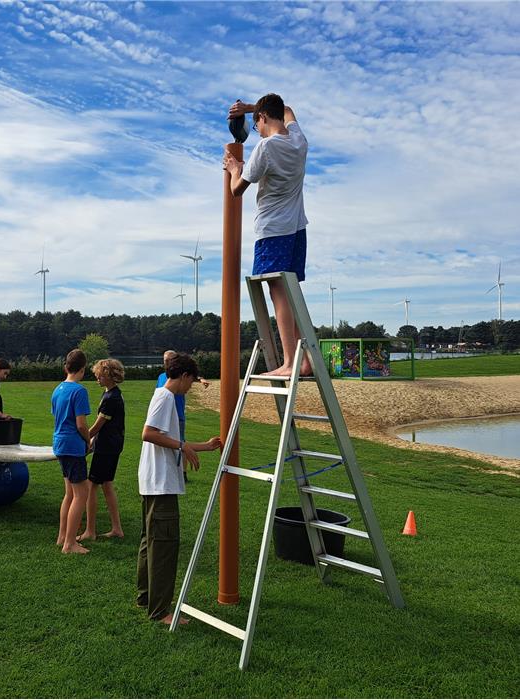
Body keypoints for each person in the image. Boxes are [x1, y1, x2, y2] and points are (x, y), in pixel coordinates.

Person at [223, 93, 312, 377]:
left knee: (278, 294)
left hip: (272, 231)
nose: (256, 128)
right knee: (291, 291)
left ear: (262, 118)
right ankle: (305, 359)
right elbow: (288, 109)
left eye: (256, 121)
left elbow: (237, 189)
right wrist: (251, 107)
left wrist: (235, 168)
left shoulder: (266, 147)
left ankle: (289, 362)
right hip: (297, 229)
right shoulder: (299, 140)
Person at [137, 353, 221, 624]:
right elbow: (148, 433)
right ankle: (160, 611)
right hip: (161, 485)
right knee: (163, 546)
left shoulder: (165, 397)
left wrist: (204, 446)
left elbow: (169, 438)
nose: (191, 387)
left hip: (154, 482)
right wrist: (182, 446)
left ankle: (145, 597)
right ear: (184, 376)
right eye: (192, 381)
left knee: (150, 542)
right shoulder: (165, 397)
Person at [77, 358, 126, 542]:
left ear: (110, 376)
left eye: (100, 375)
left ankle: (90, 530)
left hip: (107, 448)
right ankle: (117, 528)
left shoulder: (111, 398)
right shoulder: (112, 394)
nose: (97, 377)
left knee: (91, 486)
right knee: (107, 485)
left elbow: (97, 426)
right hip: (110, 446)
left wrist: (83, 439)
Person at [51, 349, 91, 555]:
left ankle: (62, 537)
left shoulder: (57, 389)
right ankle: (69, 544)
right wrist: (88, 441)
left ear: (66, 367)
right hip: (73, 446)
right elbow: (81, 424)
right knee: (81, 495)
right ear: (82, 369)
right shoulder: (79, 391)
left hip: (59, 444)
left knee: (69, 493)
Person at [156, 350, 210, 482]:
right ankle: (176, 472)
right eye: (165, 361)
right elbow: (148, 435)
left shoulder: (176, 381)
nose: (167, 363)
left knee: (180, 442)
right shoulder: (163, 393)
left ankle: (183, 473)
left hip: (178, 416)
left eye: (170, 360)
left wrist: (201, 379)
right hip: (162, 482)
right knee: (178, 443)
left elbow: (191, 376)